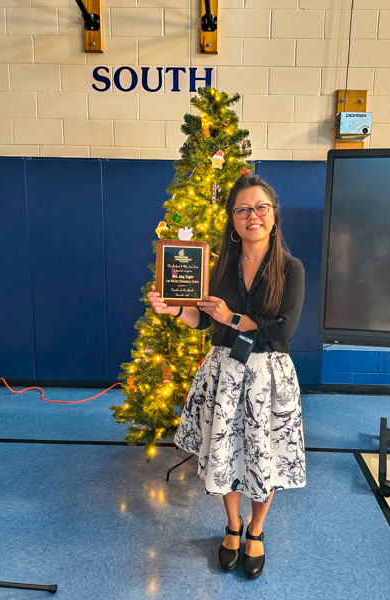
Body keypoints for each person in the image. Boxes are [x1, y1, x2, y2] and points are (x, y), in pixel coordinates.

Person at [147, 174, 306, 580]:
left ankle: (256, 530)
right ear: (232, 220)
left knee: (263, 456)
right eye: (242, 209)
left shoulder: (291, 268)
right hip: (226, 375)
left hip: (270, 379)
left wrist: (232, 318)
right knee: (228, 454)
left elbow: (282, 330)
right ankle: (233, 526)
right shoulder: (219, 265)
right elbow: (202, 319)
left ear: (273, 216)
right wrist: (173, 311)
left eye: (260, 208)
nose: (252, 215)